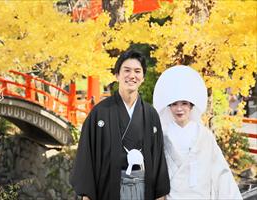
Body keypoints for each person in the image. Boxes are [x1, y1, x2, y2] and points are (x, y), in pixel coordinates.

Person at [70, 49, 170, 200]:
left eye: (137, 71)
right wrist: (86, 196)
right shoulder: (100, 113)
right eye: (127, 70)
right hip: (108, 190)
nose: (132, 76)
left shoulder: (151, 115)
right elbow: (86, 155)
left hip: (143, 190)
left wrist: (160, 195)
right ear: (117, 75)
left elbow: (158, 159)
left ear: (143, 77)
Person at [153, 65, 243, 199]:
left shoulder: (204, 135)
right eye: (174, 104)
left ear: (191, 105)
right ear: (169, 106)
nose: (179, 109)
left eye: (184, 103)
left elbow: (220, 172)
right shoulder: (161, 135)